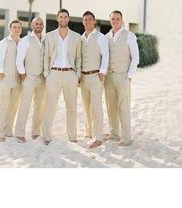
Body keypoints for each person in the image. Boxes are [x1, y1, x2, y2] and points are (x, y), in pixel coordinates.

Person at [42, 9, 81, 145]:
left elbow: (78, 57)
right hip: (54, 74)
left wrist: (78, 75)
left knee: (71, 107)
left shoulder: (76, 37)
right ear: (57, 19)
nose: (63, 19)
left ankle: (72, 136)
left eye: (65, 17)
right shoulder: (49, 36)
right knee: (50, 106)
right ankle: (46, 136)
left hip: (71, 74)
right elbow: (46, 56)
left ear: (68, 19)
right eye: (61, 17)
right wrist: (47, 74)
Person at [104, 10, 139, 146]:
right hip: (109, 77)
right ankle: (114, 134)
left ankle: (126, 138)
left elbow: (135, 58)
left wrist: (129, 76)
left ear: (122, 20)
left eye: (117, 18)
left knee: (123, 107)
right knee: (110, 106)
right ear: (110, 20)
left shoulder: (129, 35)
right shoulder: (107, 36)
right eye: (113, 19)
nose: (115, 21)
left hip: (123, 76)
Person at [80, 11, 109, 148]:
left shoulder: (100, 37)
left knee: (96, 107)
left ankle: (98, 137)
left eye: (90, 19)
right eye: (85, 19)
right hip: (83, 77)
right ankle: (89, 132)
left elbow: (106, 55)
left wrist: (102, 72)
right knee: (86, 106)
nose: (88, 21)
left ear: (94, 21)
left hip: (96, 76)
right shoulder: (81, 37)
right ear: (83, 22)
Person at [15, 17, 45, 143]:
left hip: (42, 79)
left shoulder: (45, 39)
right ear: (32, 25)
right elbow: (19, 60)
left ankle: (36, 132)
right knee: (25, 105)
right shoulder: (25, 40)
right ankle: (19, 133)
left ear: (43, 25)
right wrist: (23, 75)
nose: (39, 25)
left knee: (39, 106)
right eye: (36, 23)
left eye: (40, 23)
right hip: (29, 78)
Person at [0, 20, 22, 142]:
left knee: (13, 106)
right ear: (10, 29)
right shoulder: (3, 43)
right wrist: (2, 79)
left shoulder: (22, 43)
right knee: (2, 106)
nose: (16, 29)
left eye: (18, 27)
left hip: (18, 79)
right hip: (6, 78)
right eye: (14, 27)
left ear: (21, 29)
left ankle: (8, 130)